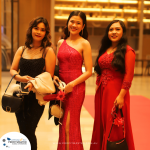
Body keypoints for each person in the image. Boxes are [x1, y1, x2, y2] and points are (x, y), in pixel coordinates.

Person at [10, 16, 56, 150]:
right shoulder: (21, 49)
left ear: (46, 33)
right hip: (20, 95)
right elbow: (13, 70)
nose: (38, 32)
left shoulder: (48, 51)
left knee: (29, 130)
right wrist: (21, 78)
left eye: (42, 30)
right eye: (36, 28)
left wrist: (33, 83)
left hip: (36, 97)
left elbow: (49, 75)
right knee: (23, 131)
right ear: (31, 29)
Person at [90, 20, 135, 150]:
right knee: (101, 123)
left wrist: (121, 96)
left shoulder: (128, 51)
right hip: (102, 92)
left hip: (117, 92)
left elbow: (128, 75)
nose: (113, 32)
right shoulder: (105, 49)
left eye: (117, 29)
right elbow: (100, 69)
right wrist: (98, 84)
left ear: (123, 32)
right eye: (111, 29)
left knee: (114, 124)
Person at [54, 11, 92, 150]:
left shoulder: (85, 43)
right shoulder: (60, 42)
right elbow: (57, 66)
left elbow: (89, 71)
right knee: (63, 125)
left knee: (71, 126)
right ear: (67, 22)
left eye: (78, 23)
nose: (74, 25)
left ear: (83, 26)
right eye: (72, 21)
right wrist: (55, 76)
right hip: (61, 88)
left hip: (75, 88)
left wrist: (72, 84)